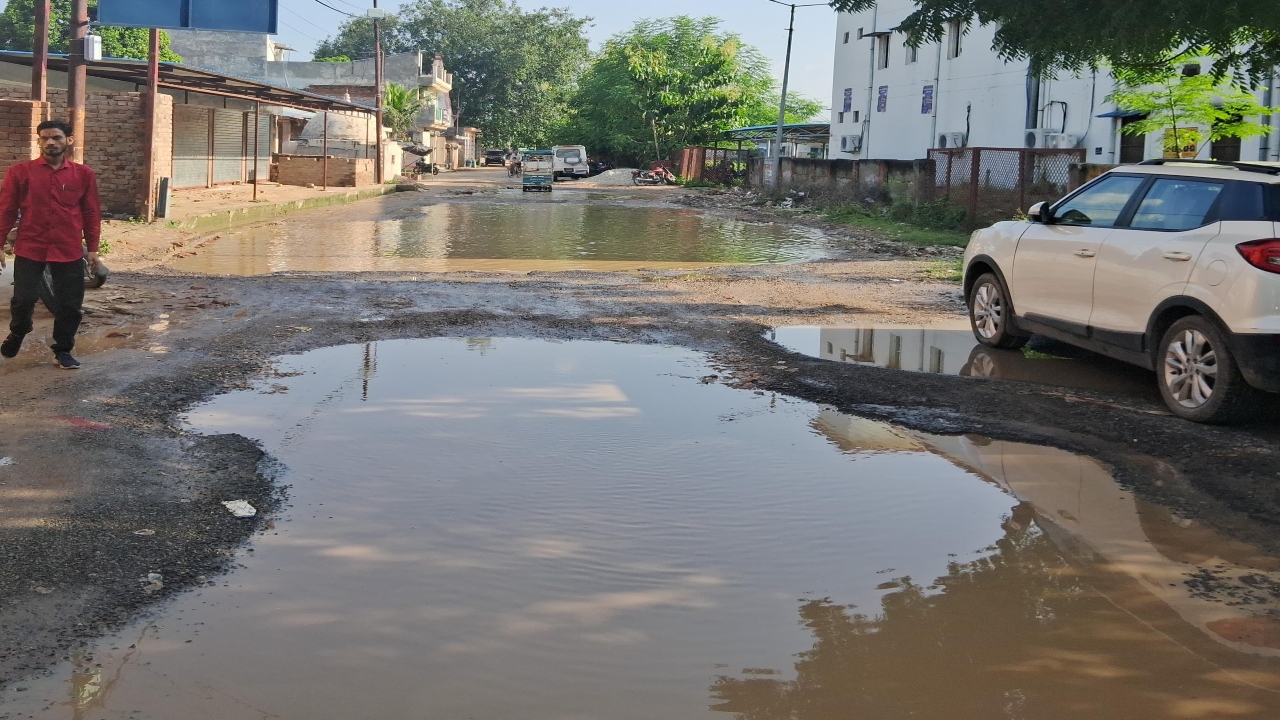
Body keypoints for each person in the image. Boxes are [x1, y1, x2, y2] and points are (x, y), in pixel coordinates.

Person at [0, 119, 101, 369]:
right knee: (23, 300)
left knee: (69, 304)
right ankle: (19, 330)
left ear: (68, 140)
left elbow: (91, 212)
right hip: (30, 246)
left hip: (68, 248)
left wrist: (94, 249)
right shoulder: (20, 172)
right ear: (39, 141)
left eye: (55, 137)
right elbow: (7, 210)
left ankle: (63, 350)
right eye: (44, 138)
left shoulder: (83, 174)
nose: (49, 143)